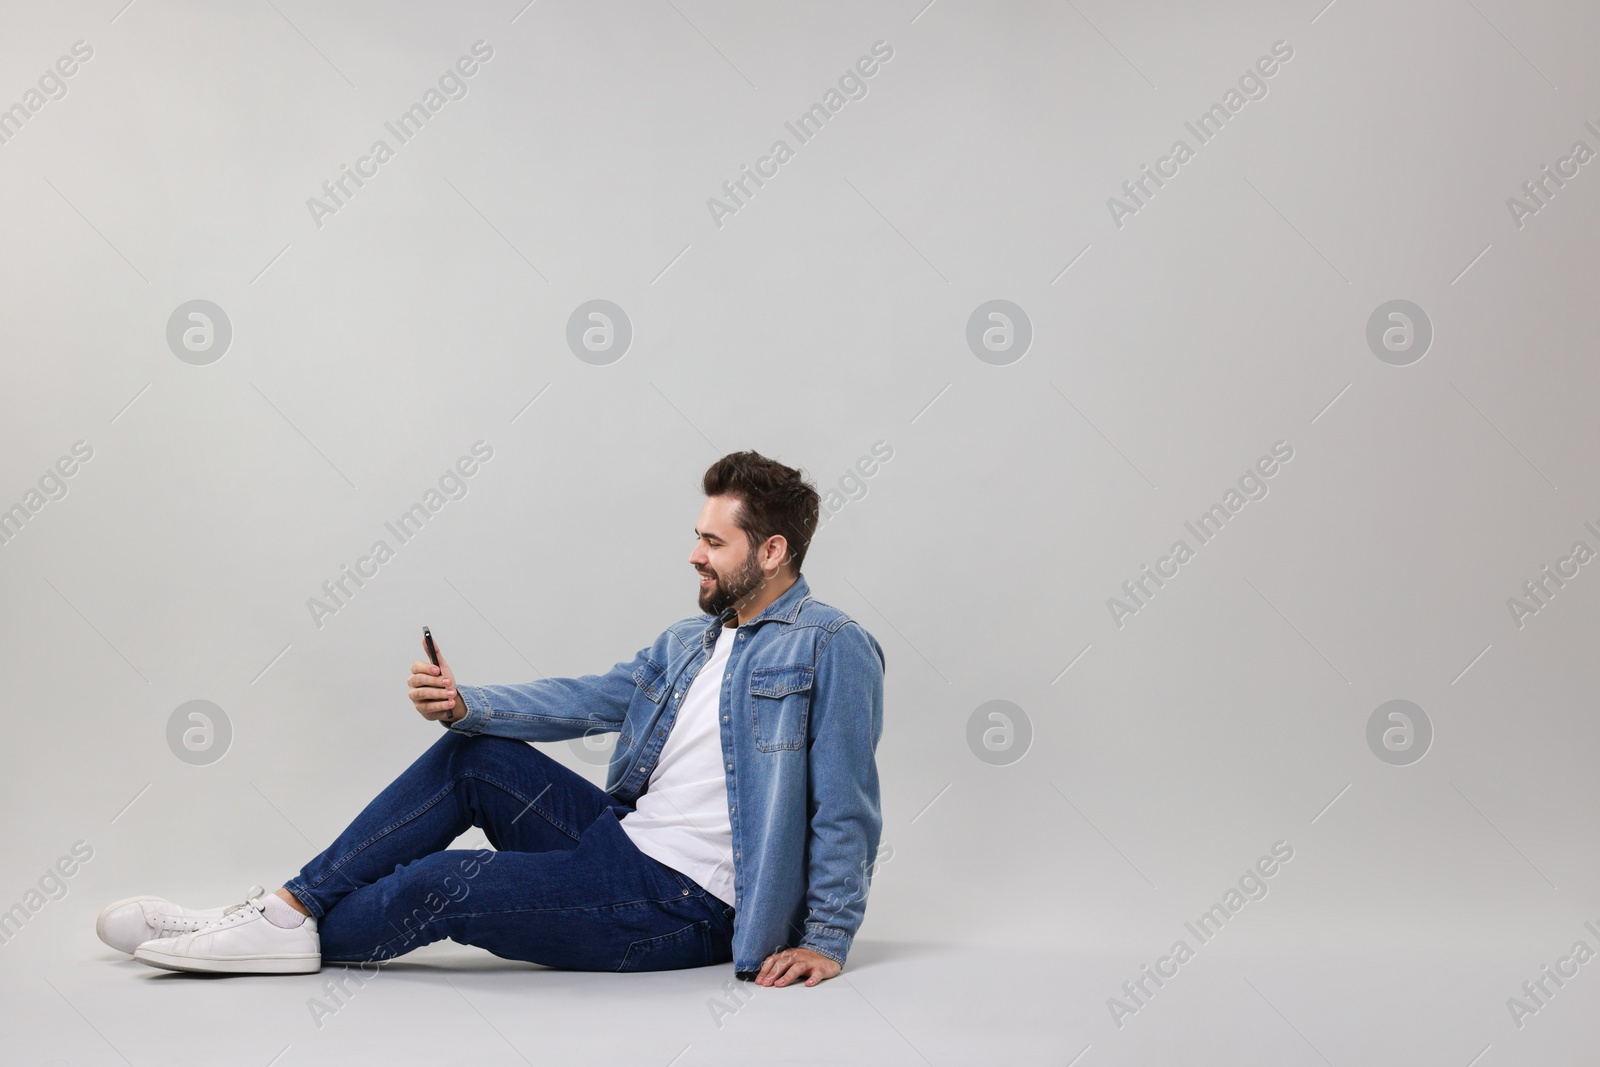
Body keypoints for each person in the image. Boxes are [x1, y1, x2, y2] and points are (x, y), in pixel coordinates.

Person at [96, 451, 887, 988]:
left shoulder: (834, 649)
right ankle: (283, 909)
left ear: (774, 549)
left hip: (687, 905)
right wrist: (468, 703)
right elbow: (589, 698)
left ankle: (259, 936)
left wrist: (825, 938)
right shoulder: (692, 639)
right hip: (621, 841)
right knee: (475, 755)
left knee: (443, 883)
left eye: (713, 541)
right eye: (697, 537)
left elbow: (847, 808)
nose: (694, 554)